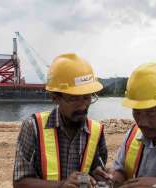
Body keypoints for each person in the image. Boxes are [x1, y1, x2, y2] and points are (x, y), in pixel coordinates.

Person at [13, 53, 109, 188]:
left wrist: (97, 174)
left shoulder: (96, 131)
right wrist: (61, 185)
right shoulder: (33, 127)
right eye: (74, 99)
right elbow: (20, 183)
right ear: (55, 97)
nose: (82, 106)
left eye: (87, 97)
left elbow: (94, 168)